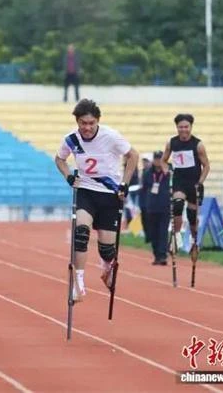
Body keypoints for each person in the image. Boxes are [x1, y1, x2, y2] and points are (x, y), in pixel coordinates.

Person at [55, 99, 139, 299]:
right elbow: (59, 159)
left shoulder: (110, 136)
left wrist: (125, 183)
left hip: (110, 195)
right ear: (77, 121)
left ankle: (107, 268)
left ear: (98, 121)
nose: (87, 127)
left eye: (91, 123)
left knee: (107, 250)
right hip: (86, 192)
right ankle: (79, 283)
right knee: (81, 234)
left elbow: (133, 155)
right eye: (83, 123)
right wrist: (68, 176)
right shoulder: (71, 139)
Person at [161, 113, 211, 246]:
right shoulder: (172, 143)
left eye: (186, 127)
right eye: (180, 127)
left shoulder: (198, 145)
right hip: (179, 181)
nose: (183, 130)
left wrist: (200, 182)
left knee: (192, 215)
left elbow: (206, 166)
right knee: (177, 206)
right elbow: (163, 160)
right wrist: (166, 170)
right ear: (177, 127)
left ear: (191, 127)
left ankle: (194, 240)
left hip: (194, 183)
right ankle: (176, 236)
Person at [142, 151, 171, 265]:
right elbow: (144, 190)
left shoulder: (169, 172)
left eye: (160, 159)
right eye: (156, 159)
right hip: (151, 207)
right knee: (153, 232)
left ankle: (163, 255)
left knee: (163, 231)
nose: (158, 161)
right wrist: (143, 206)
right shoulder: (147, 173)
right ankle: (156, 255)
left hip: (165, 206)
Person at [139, 154, 153, 242]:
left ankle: (151, 237)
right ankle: (147, 237)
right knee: (144, 219)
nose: (144, 163)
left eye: (146, 161)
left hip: (150, 200)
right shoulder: (142, 172)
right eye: (143, 161)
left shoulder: (152, 173)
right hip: (143, 199)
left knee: (149, 219)